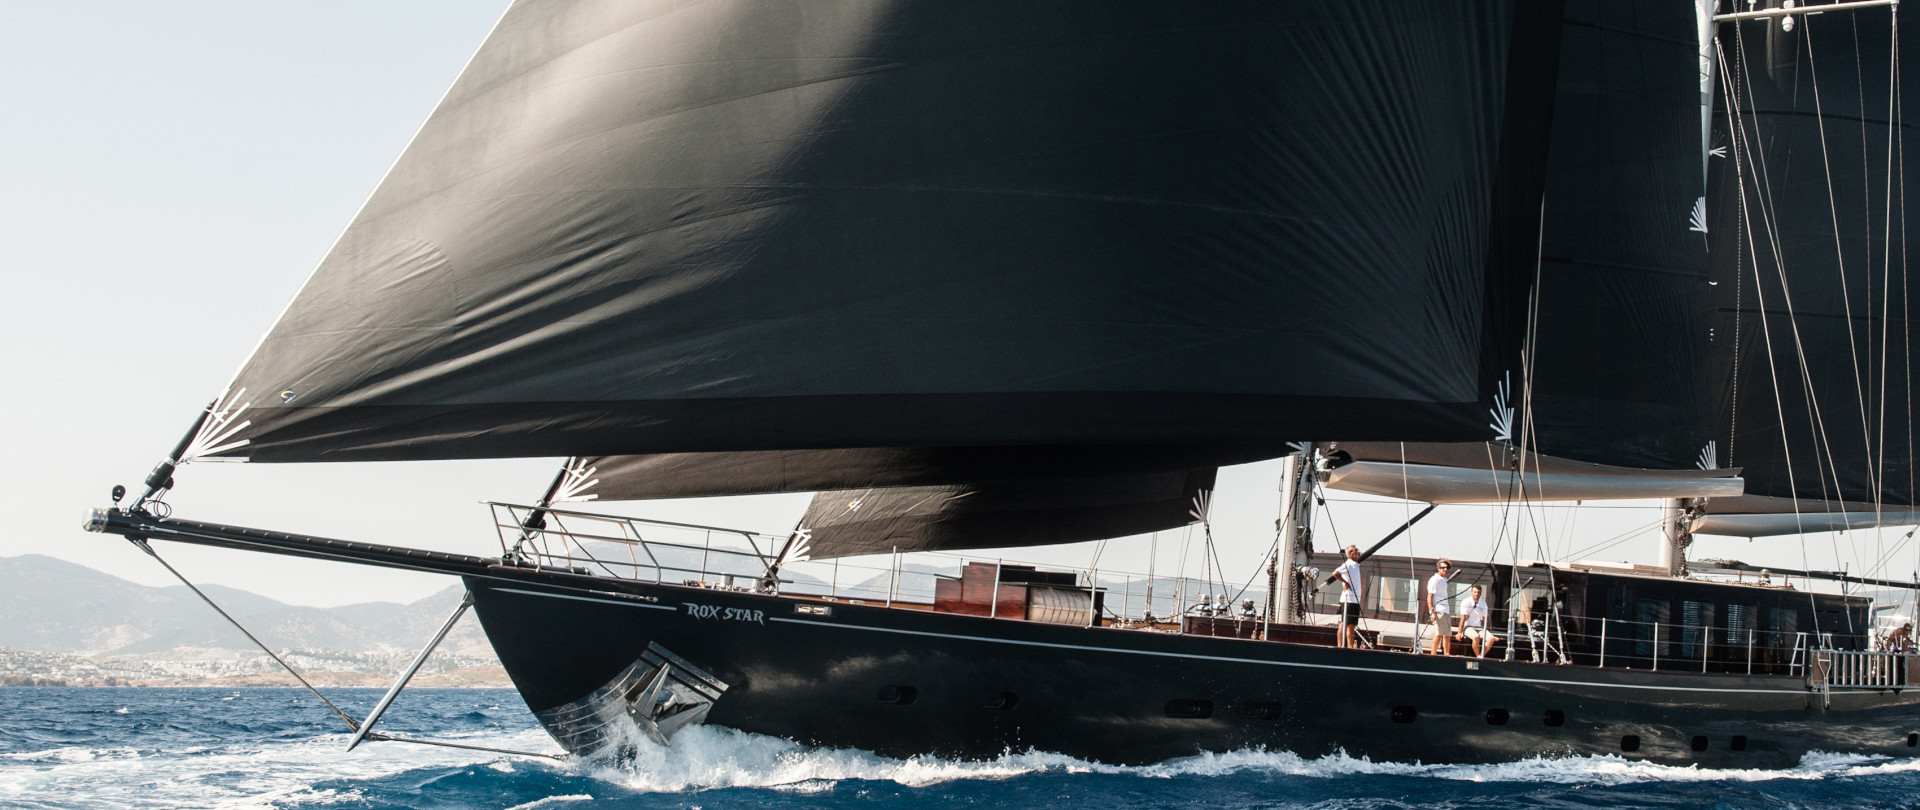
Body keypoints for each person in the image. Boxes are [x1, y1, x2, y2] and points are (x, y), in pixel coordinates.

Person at [1455, 584, 1500, 659]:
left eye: (1478, 592)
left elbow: (1486, 619)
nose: (1476, 594)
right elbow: (1463, 618)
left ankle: (1481, 656)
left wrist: (1489, 633)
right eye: (1475, 592)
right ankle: (1478, 656)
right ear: (1471, 592)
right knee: (1476, 637)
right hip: (1468, 627)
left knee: (1491, 639)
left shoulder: (1483, 603)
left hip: (1479, 627)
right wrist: (1459, 633)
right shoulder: (1466, 602)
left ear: (1480, 593)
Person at [1333, 544, 1364, 649]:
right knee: (1345, 624)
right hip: (1348, 599)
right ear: (1351, 554)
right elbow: (1335, 573)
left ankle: (1349, 647)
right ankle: (1341, 647)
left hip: (1355, 600)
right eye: (1356, 550)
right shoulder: (1348, 564)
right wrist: (1345, 583)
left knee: (1351, 625)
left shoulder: (1356, 565)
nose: (1358, 551)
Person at [1425, 559, 1454, 655]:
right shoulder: (1434, 580)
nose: (1445, 569)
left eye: (1446, 568)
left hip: (1446, 610)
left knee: (1447, 635)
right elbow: (1429, 597)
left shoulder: (1445, 580)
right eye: (1442, 567)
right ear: (1438, 568)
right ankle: (1433, 655)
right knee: (1439, 634)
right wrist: (1432, 612)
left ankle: (1447, 655)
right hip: (1438, 610)